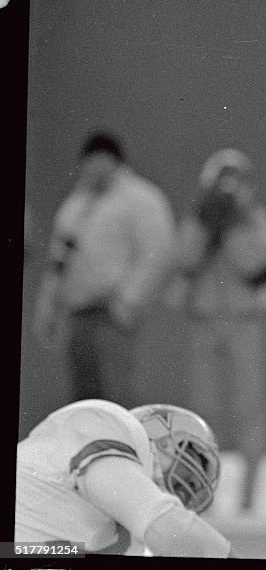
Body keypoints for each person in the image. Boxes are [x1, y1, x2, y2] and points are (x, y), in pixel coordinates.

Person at [170, 149, 266, 513]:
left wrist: (232, 226)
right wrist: (207, 225)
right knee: (203, 411)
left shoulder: (258, 221)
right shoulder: (197, 221)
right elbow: (184, 260)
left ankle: (249, 499)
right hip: (205, 322)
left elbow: (256, 265)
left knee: (249, 408)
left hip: (244, 322)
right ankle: (205, 496)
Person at [32, 131, 176, 408]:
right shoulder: (75, 205)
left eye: (101, 160)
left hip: (113, 314)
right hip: (78, 313)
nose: (95, 168)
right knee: (84, 402)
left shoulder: (140, 199)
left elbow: (158, 252)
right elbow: (59, 260)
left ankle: (122, 452)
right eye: (89, 161)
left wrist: (127, 299)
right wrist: (47, 306)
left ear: (116, 162)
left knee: (118, 398)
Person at [16, 399, 233, 557]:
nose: (191, 488)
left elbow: (27, 550)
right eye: (194, 463)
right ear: (160, 441)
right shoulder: (106, 421)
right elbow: (171, 528)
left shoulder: (126, 541)